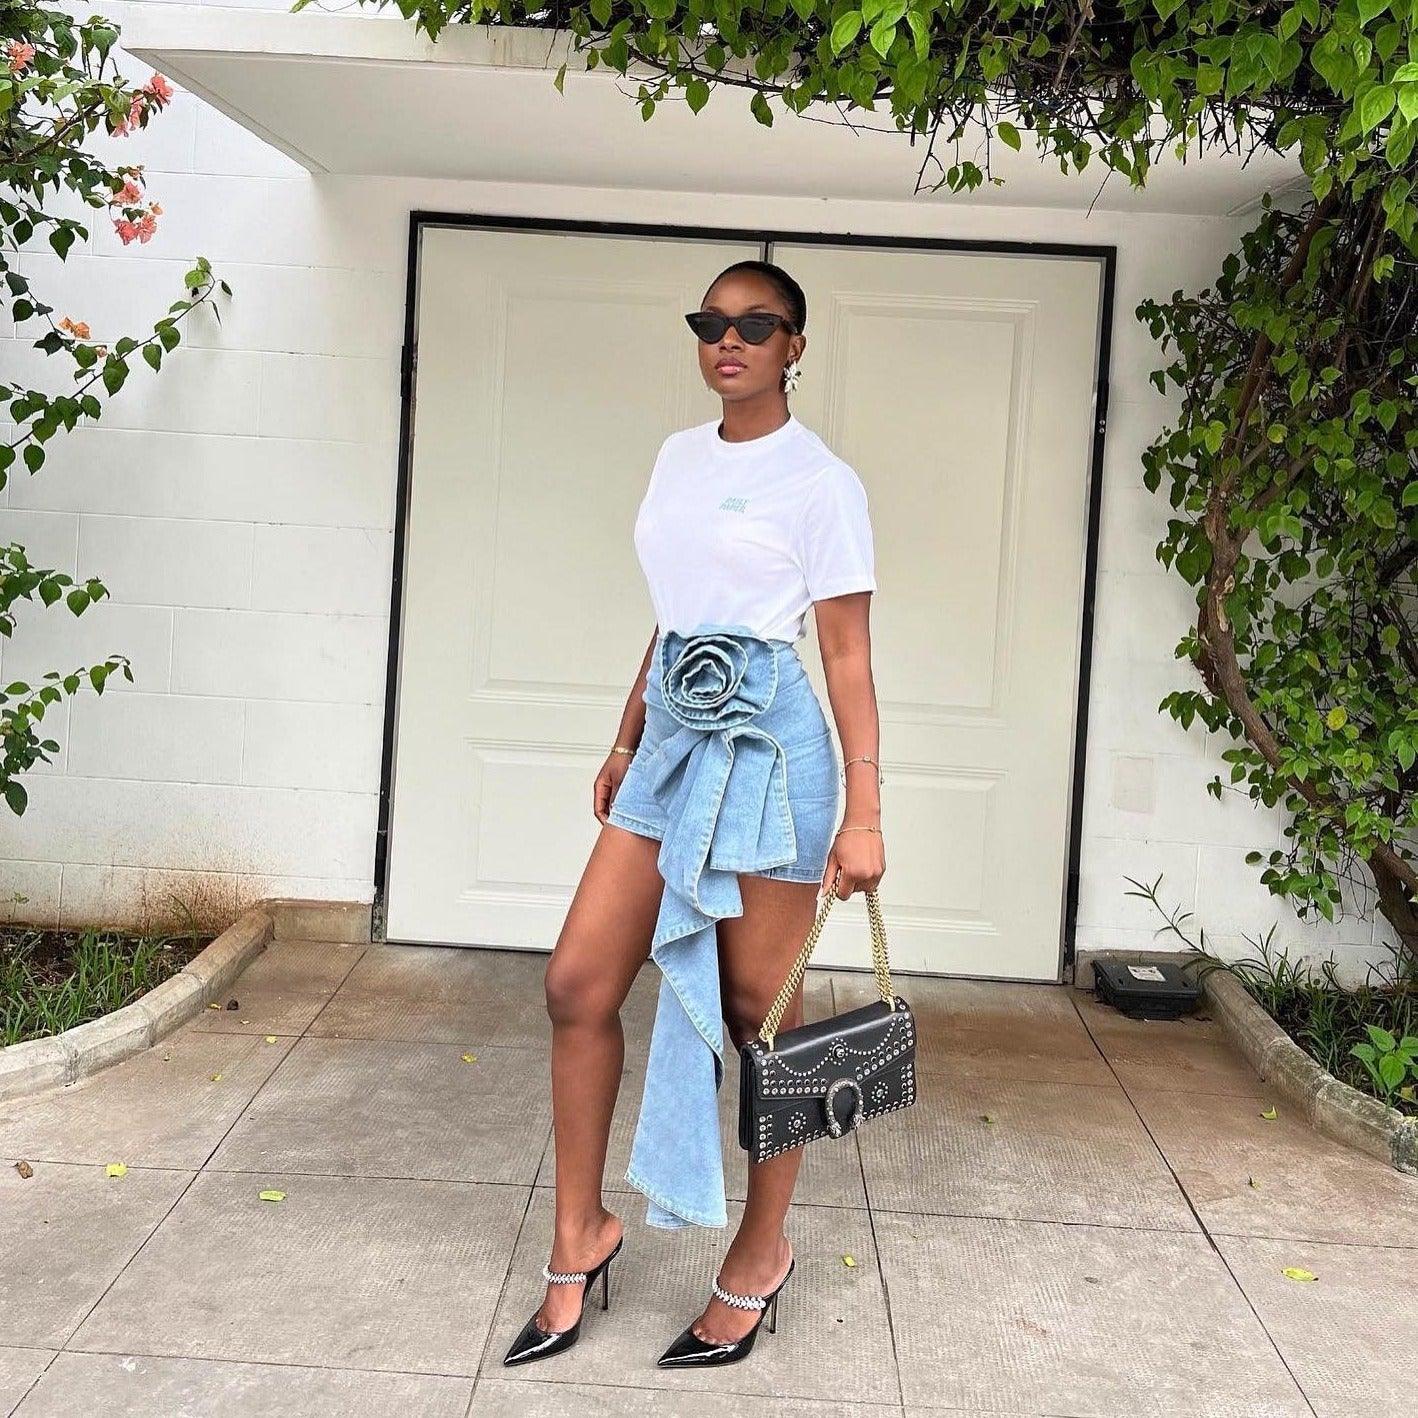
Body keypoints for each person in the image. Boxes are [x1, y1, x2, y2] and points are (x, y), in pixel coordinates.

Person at [503, 259, 886, 1370]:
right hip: (674, 735)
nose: (730, 339)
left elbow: (846, 655)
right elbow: (672, 618)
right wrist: (626, 736)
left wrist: (864, 810)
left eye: (756, 325)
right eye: (711, 322)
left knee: (765, 1018)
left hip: (770, 751)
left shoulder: (822, 483)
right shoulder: (677, 457)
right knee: (577, 982)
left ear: (794, 346)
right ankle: (580, 1233)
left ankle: (761, 1252)